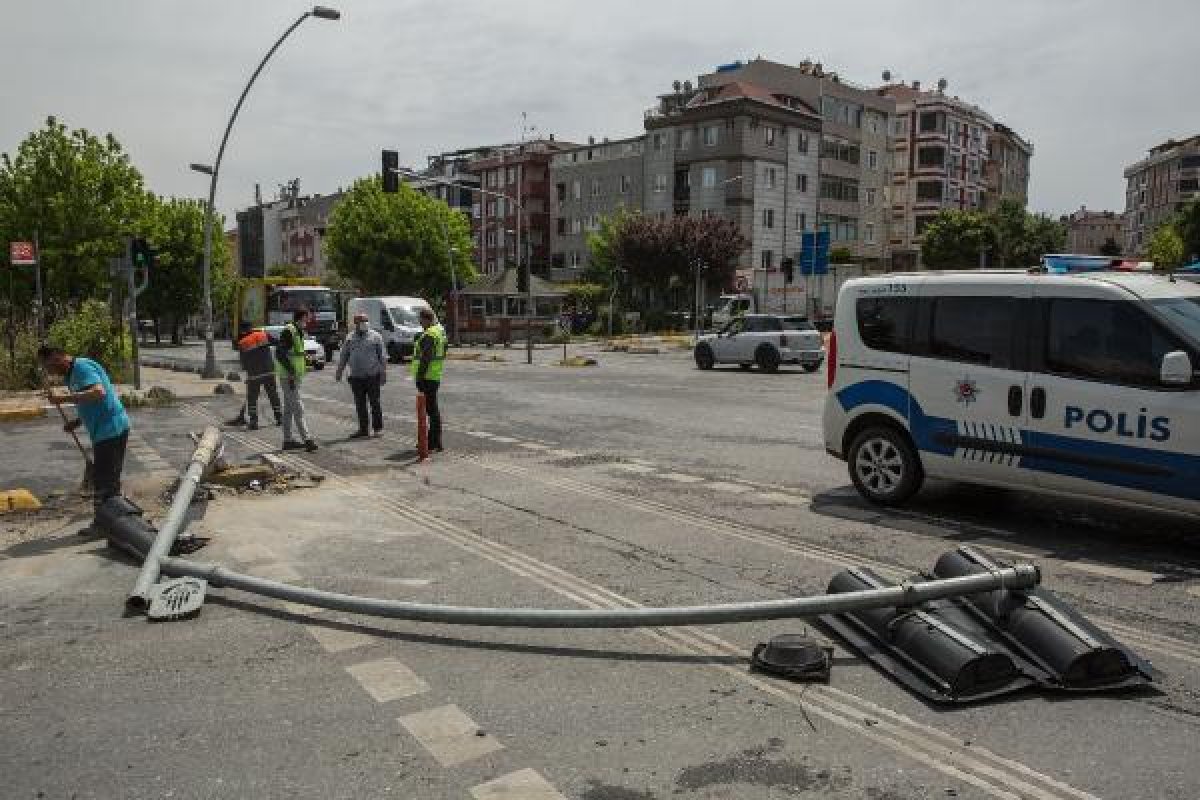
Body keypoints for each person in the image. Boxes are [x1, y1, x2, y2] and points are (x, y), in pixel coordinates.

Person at [38, 345, 131, 516]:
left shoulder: (81, 367)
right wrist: (78, 421)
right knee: (107, 480)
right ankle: (115, 519)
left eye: (50, 367)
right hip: (103, 430)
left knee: (103, 483)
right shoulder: (70, 375)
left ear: (57, 358)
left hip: (110, 429)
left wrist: (63, 398)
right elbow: (89, 401)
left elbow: (98, 392)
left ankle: (107, 522)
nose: (51, 372)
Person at [335, 312, 387, 439]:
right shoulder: (350, 337)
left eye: (366, 320)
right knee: (360, 404)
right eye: (361, 321)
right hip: (356, 377)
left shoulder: (376, 336)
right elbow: (344, 356)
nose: (364, 323)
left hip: (372, 376)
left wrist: (383, 373)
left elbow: (383, 357)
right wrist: (339, 371)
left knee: (375, 402)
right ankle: (363, 429)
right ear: (356, 324)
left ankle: (378, 428)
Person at [276, 309, 318, 452]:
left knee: (288, 410)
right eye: (308, 317)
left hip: (293, 377)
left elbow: (293, 353)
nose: (309, 320)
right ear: (302, 317)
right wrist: (291, 371)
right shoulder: (290, 331)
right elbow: (280, 353)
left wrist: (305, 358)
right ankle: (308, 440)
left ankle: (287, 441)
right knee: (298, 408)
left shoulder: (298, 331)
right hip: (289, 377)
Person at [228, 321, 282, 430]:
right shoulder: (263, 334)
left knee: (252, 398)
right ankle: (279, 418)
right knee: (273, 395)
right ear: (251, 328)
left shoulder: (243, 342)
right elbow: (277, 342)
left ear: (243, 331)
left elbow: (243, 364)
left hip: (254, 374)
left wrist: (248, 373)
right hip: (269, 371)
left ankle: (253, 421)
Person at [411, 307, 447, 452]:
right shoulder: (440, 331)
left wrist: (419, 376)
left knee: (430, 411)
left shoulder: (429, 334)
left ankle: (431, 443)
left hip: (426, 377)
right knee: (433, 410)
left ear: (425, 319)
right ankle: (436, 441)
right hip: (435, 376)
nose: (420, 323)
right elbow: (444, 351)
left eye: (420, 320)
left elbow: (425, 358)